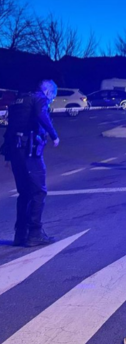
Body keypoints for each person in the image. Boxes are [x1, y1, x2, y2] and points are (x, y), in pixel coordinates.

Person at [1, 80, 60, 247]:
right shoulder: (39, 99)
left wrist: (7, 157)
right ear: (48, 92)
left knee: (24, 193)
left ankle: (20, 234)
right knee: (39, 191)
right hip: (29, 150)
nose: (51, 101)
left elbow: (10, 128)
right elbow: (42, 116)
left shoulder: (17, 101)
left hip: (15, 150)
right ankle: (35, 232)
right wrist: (54, 135)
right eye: (53, 97)